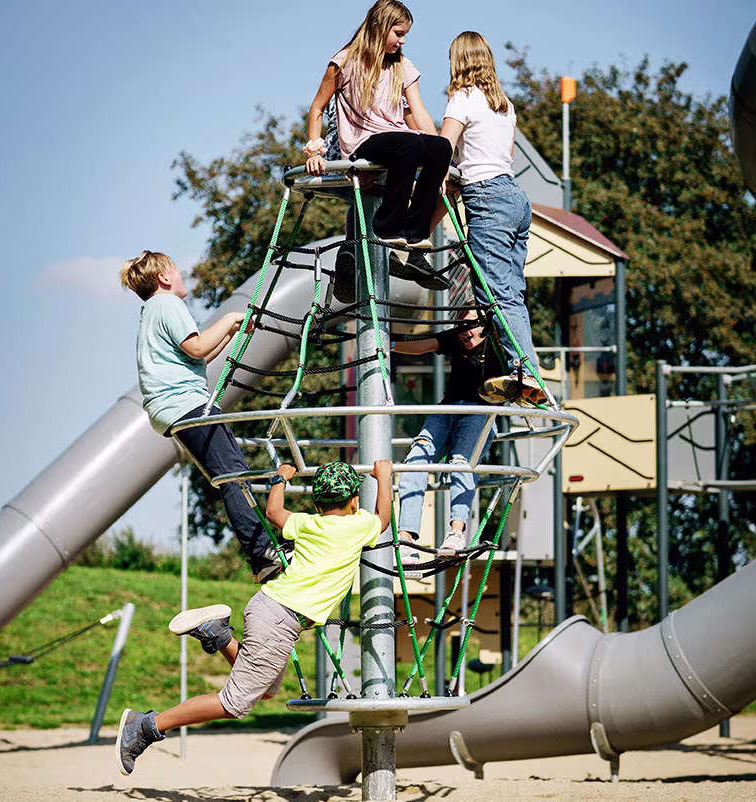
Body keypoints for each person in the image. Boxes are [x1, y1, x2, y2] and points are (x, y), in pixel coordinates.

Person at [115, 459, 393, 776]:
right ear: (355, 502)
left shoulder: (307, 523)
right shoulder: (358, 526)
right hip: (280, 619)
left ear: (316, 504)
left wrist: (280, 478)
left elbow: (274, 513)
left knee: (267, 689)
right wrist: (383, 476)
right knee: (234, 704)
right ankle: (146, 725)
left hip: (271, 610)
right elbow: (383, 517)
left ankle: (218, 635)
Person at [120, 250, 286, 583]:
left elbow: (199, 359)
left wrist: (233, 330)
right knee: (232, 474)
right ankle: (261, 552)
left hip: (173, 408)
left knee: (230, 473)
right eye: (176, 271)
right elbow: (196, 349)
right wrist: (228, 319)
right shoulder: (167, 305)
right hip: (184, 403)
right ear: (165, 277)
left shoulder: (151, 311)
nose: (181, 276)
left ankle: (262, 554)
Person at [440, 31, 547, 407]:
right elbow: (501, 155)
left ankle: (526, 371)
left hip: (487, 198)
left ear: (459, 61)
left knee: (492, 294)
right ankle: (523, 368)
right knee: (511, 294)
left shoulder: (462, 97)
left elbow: (443, 148)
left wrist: (441, 180)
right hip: (516, 198)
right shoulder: (504, 105)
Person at [304, 0, 452, 248]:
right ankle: (387, 226)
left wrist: (443, 161)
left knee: (441, 148)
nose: (403, 41)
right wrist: (315, 150)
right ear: (380, 27)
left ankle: (415, 231)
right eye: (399, 34)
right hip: (363, 141)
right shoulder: (345, 61)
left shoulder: (402, 65)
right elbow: (317, 107)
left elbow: (421, 112)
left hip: (398, 138)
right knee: (410, 144)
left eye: (405, 35)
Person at [393, 309, 501, 556]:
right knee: (415, 460)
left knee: (461, 462)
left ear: (485, 326)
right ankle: (405, 538)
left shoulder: (498, 344)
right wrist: (384, 344)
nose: (466, 333)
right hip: (447, 408)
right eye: (461, 326)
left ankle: (456, 531)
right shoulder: (457, 338)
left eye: (471, 326)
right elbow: (423, 346)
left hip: (480, 411)